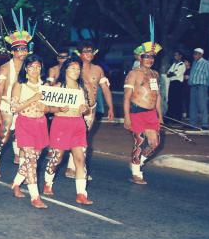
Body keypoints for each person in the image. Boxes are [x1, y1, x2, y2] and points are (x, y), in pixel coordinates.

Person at [43, 57, 93, 204]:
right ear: (65, 69)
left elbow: (86, 108)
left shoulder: (81, 88)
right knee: (57, 158)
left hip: (78, 124)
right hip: (61, 124)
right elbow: (46, 108)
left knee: (80, 159)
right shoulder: (57, 87)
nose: (76, 71)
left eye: (78, 69)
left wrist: (85, 109)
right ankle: (48, 182)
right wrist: (58, 109)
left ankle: (81, 193)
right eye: (73, 68)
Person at [65, 40, 115, 178]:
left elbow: (105, 89)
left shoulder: (98, 69)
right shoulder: (73, 68)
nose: (89, 54)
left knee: (83, 138)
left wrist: (110, 107)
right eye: (86, 51)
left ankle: (73, 167)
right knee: (77, 138)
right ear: (80, 53)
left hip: (90, 110)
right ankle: (77, 168)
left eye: (91, 51)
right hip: (74, 109)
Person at [9, 54, 49, 209]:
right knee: (31, 160)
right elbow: (14, 108)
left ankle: (16, 184)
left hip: (40, 124)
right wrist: (33, 98)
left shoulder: (45, 85)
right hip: (25, 123)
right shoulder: (19, 85)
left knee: (33, 159)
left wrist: (46, 108)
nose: (35, 70)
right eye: (31, 66)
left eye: (38, 66)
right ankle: (35, 196)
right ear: (26, 68)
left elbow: (50, 107)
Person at [0, 25, 30, 178]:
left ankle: (23, 170)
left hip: (25, 106)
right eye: (19, 49)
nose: (22, 52)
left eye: (24, 49)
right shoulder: (4, 69)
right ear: (13, 52)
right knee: (4, 136)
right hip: (7, 106)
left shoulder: (30, 67)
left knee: (24, 138)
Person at [123, 33, 163, 185]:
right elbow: (126, 97)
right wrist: (127, 117)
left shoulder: (155, 74)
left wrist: (160, 115)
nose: (150, 59)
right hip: (137, 113)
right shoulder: (133, 74)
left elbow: (157, 96)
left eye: (152, 57)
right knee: (139, 142)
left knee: (155, 143)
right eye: (146, 56)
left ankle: (138, 161)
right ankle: (136, 172)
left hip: (151, 114)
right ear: (139, 58)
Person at [188, 48, 209, 130]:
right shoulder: (194, 63)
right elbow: (192, 74)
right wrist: (190, 82)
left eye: (196, 54)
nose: (194, 55)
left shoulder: (205, 63)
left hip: (201, 87)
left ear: (201, 54)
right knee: (193, 106)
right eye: (194, 54)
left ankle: (204, 124)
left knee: (202, 106)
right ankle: (193, 124)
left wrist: (205, 86)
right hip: (193, 87)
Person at [165, 50, 187, 121]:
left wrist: (171, 73)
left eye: (177, 55)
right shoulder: (174, 64)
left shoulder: (182, 64)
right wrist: (171, 73)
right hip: (172, 83)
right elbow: (168, 73)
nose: (175, 56)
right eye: (174, 55)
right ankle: (170, 117)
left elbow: (176, 74)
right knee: (171, 100)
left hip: (178, 84)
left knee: (177, 101)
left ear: (180, 56)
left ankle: (177, 118)